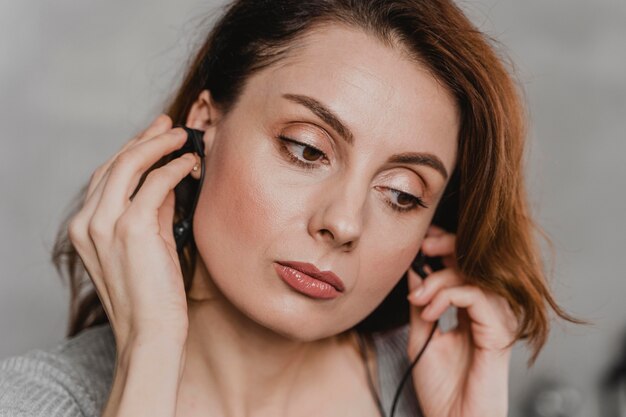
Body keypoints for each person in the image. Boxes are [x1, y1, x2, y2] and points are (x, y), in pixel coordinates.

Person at [0, 0, 587, 416]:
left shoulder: (428, 387)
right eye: (306, 149)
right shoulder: (35, 401)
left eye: (403, 194)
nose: (345, 223)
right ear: (203, 126)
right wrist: (149, 359)